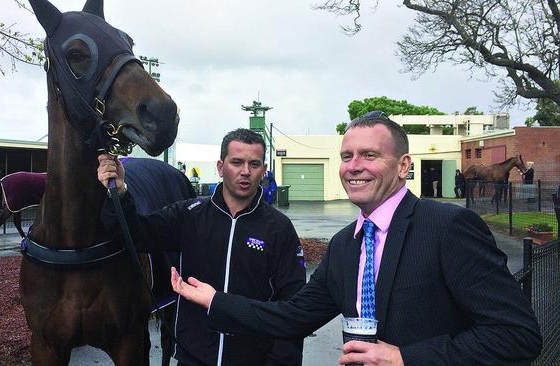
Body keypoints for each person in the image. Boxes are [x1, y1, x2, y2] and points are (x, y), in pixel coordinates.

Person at [171, 111, 542, 365]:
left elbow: (517, 335)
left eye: (369, 154)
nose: (354, 166)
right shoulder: (346, 246)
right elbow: (292, 317)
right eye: (346, 155)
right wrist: (215, 300)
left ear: (403, 166)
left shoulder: (447, 227)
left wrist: (405, 358)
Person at [98, 128, 306, 366]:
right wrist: (120, 192)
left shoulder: (279, 228)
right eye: (236, 162)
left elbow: (293, 305)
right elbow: (136, 234)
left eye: (254, 164)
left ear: (264, 170)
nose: (245, 172)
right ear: (220, 167)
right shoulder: (189, 215)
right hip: (193, 358)